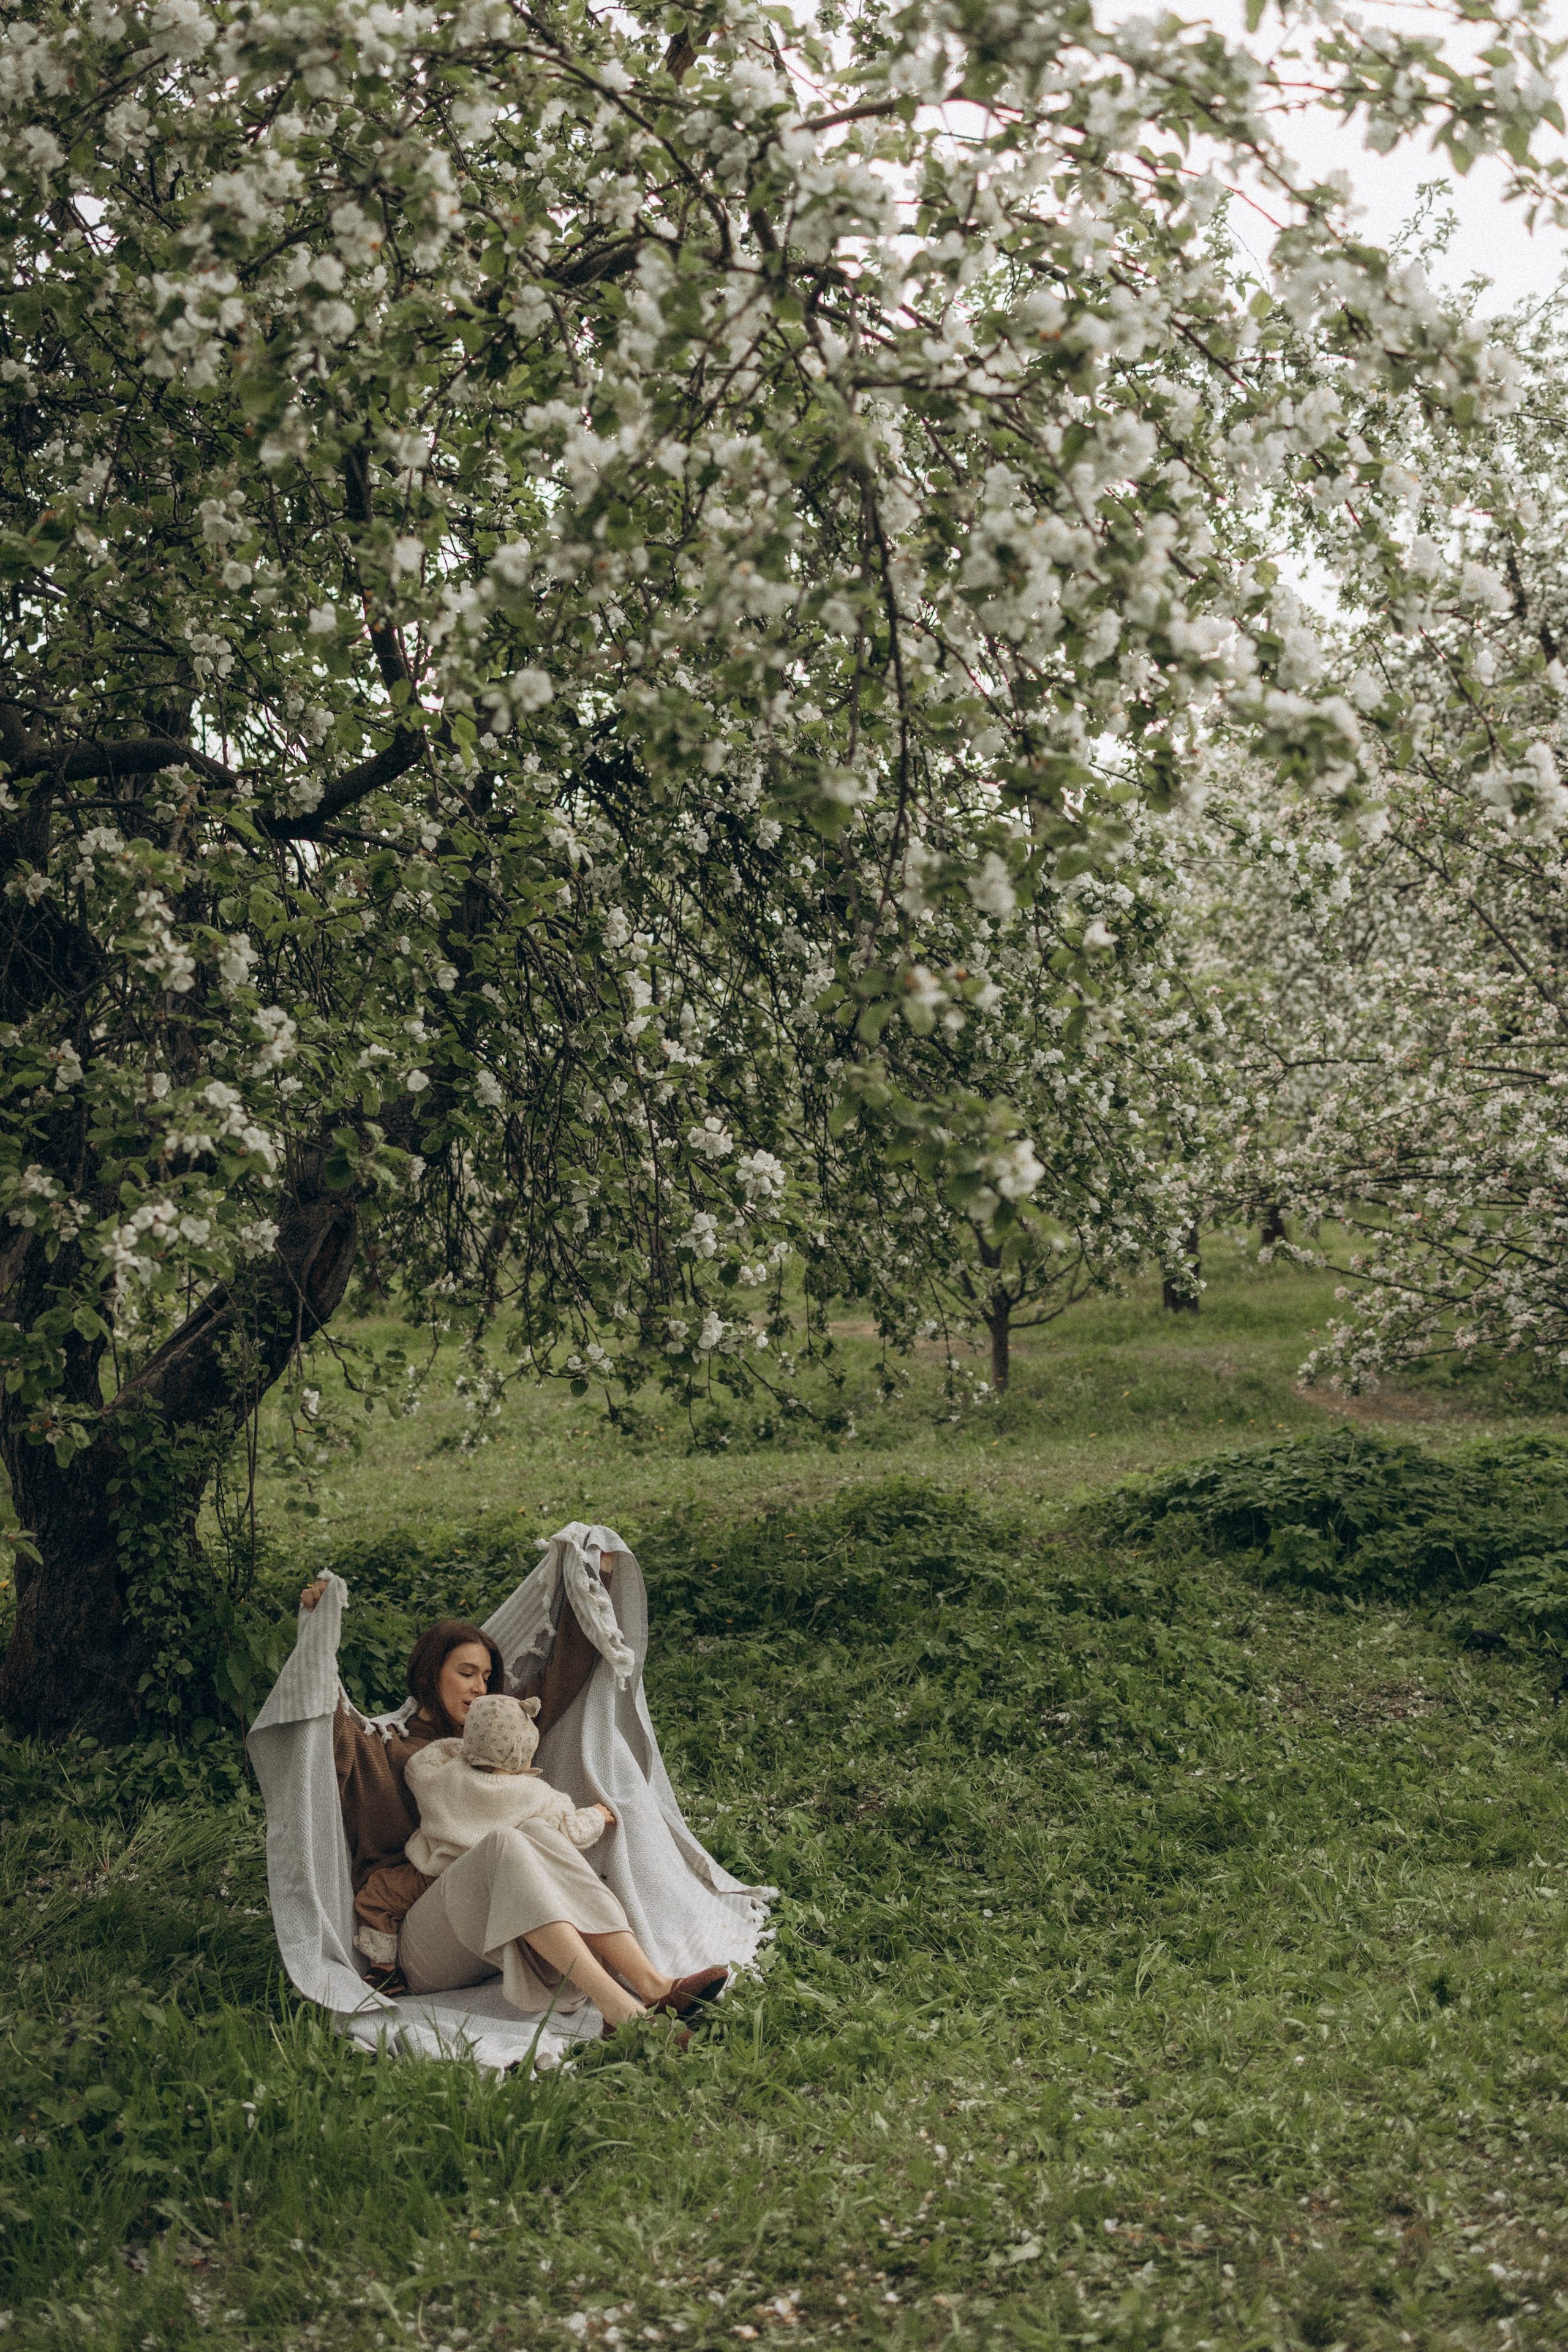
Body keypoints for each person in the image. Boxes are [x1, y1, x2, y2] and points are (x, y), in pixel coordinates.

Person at [297, 1564, 726, 2031]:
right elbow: (326, 1721)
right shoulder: (385, 1747)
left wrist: (589, 1581)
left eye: (486, 1676)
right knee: (505, 1841)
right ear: (429, 1673)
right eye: (466, 1673)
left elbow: (557, 1677)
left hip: (502, 1927)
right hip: (421, 1943)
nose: (480, 1687)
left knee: (537, 1830)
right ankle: (622, 2014)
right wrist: (315, 1632)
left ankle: (654, 1986)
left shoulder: (501, 1740)